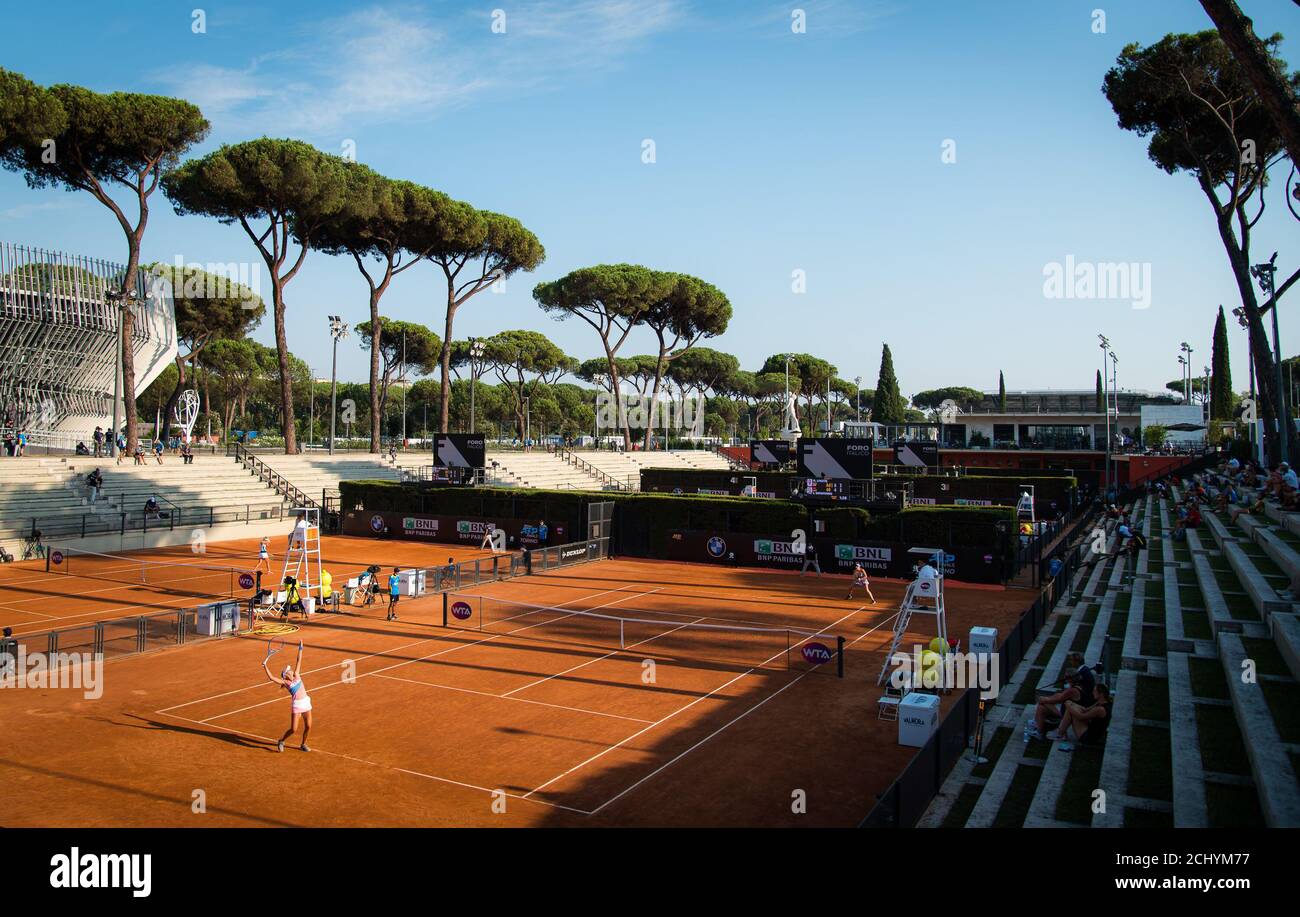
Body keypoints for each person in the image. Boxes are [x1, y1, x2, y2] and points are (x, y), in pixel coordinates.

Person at [263, 641, 312, 753]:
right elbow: (271, 678)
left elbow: (298, 660)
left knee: (308, 726)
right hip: (297, 706)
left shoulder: (297, 674)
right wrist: (265, 666)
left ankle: (303, 744)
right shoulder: (286, 683)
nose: (291, 670)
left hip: (306, 702)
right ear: (286, 675)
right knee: (293, 729)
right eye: (289, 670)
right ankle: (281, 740)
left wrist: (300, 648)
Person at [1050, 683, 1113, 751]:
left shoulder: (1100, 709)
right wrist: (1072, 704)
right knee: (1072, 708)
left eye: (1095, 691)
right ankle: (1060, 732)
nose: (1092, 692)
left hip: (1089, 738)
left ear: (1101, 694)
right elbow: (1085, 709)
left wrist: (1068, 706)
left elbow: (1081, 717)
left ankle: (1060, 734)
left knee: (1070, 711)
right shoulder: (1101, 703)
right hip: (1093, 731)